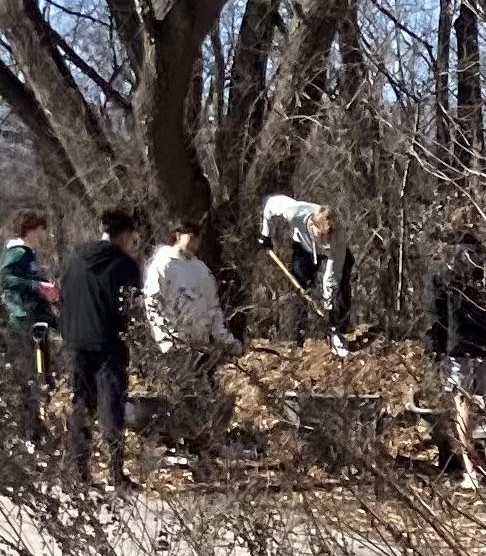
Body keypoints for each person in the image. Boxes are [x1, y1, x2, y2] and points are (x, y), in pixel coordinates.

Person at [425, 217, 486, 489]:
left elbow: (435, 313)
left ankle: (471, 471)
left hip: (459, 344)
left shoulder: (444, 266)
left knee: (462, 404)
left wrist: (434, 348)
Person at [60, 209, 141, 492]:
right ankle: (116, 474)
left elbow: (62, 296)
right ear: (125, 234)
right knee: (111, 406)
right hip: (109, 344)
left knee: (81, 404)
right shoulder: (124, 265)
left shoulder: (73, 258)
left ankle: (79, 472)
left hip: (75, 341)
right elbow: (131, 308)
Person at [258, 194, 354, 358]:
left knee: (339, 289)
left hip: (333, 257)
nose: (326, 239)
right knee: (299, 287)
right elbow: (269, 204)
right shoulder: (295, 212)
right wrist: (265, 234)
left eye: (329, 234)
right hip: (304, 248)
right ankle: (298, 337)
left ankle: (337, 330)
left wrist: (328, 307)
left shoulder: (337, 239)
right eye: (322, 234)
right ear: (311, 225)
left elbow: (332, 277)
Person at [0, 209, 59, 448]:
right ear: (31, 229)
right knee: (28, 378)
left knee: (38, 376)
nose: (45, 235)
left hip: (35, 324)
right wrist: (37, 286)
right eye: (42, 229)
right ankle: (28, 435)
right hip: (23, 324)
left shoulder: (27, 255)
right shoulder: (17, 253)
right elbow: (4, 278)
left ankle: (36, 427)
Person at [144, 221, 242, 356]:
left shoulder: (201, 269)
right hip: (174, 347)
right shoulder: (163, 264)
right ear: (178, 235)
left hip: (202, 347)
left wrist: (227, 341)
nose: (196, 243)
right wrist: (166, 340)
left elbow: (213, 308)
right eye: (192, 237)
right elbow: (153, 304)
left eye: (198, 238)